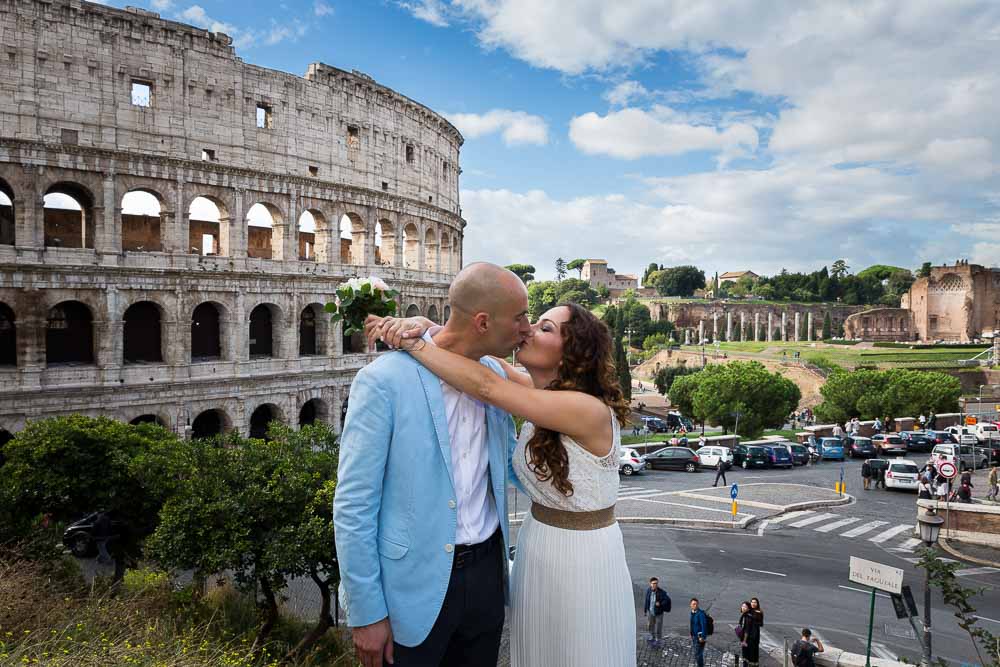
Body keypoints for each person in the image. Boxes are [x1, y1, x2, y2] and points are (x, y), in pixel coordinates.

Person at [370, 299, 637, 666]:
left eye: (545, 328)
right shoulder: (543, 392)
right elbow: (481, 363)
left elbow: (486, 386)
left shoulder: (585, 408)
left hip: (582, 557)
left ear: (571, 351)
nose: (528, 329)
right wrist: (428, 329)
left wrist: (413, 344)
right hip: (539, 544)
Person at [335, 263, 531, 667]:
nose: (526, 328)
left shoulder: (494, 377)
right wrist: (366, 612)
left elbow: (512, 464)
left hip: (486, 579)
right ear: (482, 322)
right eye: (519, 317)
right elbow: (353, 505)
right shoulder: (382, 381)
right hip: (410, 590)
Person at [643, 577, 671, 646]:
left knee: (658, 627)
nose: (655, 585)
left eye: (656, 583)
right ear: (650, 584)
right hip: (651, 612)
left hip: (659, 613)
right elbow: (647, 600)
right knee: (650, 625)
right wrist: (645, 610)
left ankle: (658, 640)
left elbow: (667, 600)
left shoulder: (662, 592)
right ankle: (652, 636)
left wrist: (660, 604)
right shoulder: (648, 590)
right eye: (653, 583)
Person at [738, 601, 761, 667]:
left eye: (745, 607)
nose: (743, 608)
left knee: (747, 658)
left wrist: (744, 641)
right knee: (751, 658)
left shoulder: (747, 617)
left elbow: (746, 631)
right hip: (752, 641)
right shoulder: (747, 615)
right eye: (742, 606)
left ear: (748, 609)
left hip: (749, 641)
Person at [690, 598, 709, 667]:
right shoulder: (692, 612)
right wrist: (691, 633)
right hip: (694, 636)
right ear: (690, 605)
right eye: (693, 604)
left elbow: (704, 626)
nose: (695, 605)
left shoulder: (700, 614)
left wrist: (702, 637)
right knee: (697, 653)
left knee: (698, 654)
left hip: (700, 637)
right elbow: (692, 624)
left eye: (696, 604)